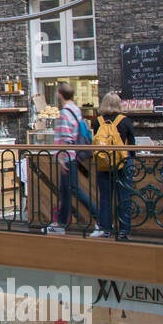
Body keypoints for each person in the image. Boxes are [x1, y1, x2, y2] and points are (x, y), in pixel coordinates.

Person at [45, 82, 97, 234]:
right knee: (65, 191)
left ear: (59, 94)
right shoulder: (76, 109)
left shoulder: (66, 113)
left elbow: (67, 137)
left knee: (73, 189)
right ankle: (61, 223)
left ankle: (100, 219)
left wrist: (62, 158)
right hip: (73, 155)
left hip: (69, 157)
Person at [90, 92, 135, 240]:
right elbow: (132, 143)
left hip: (104, 162)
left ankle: (106, 228)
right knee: (124, 196)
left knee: (105, 197)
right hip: (122, 162)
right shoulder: (125, 121)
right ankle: (124, 230)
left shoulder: (97, 122)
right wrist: (131, 161)